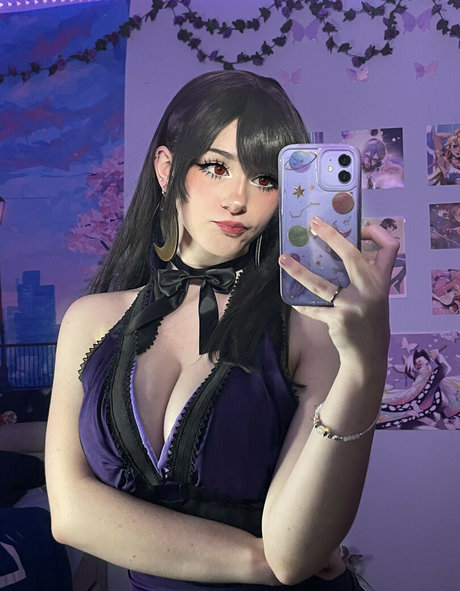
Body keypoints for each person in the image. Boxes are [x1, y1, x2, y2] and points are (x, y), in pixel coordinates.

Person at [45, 71, 399, 590]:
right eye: (216, 167)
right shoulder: (89, 319)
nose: (239, 199)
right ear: (167, 169)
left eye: (265, 179)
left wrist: (366, 363)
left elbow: (295, 556)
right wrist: (259, 560)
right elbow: (70, 513)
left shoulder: (307, 323)